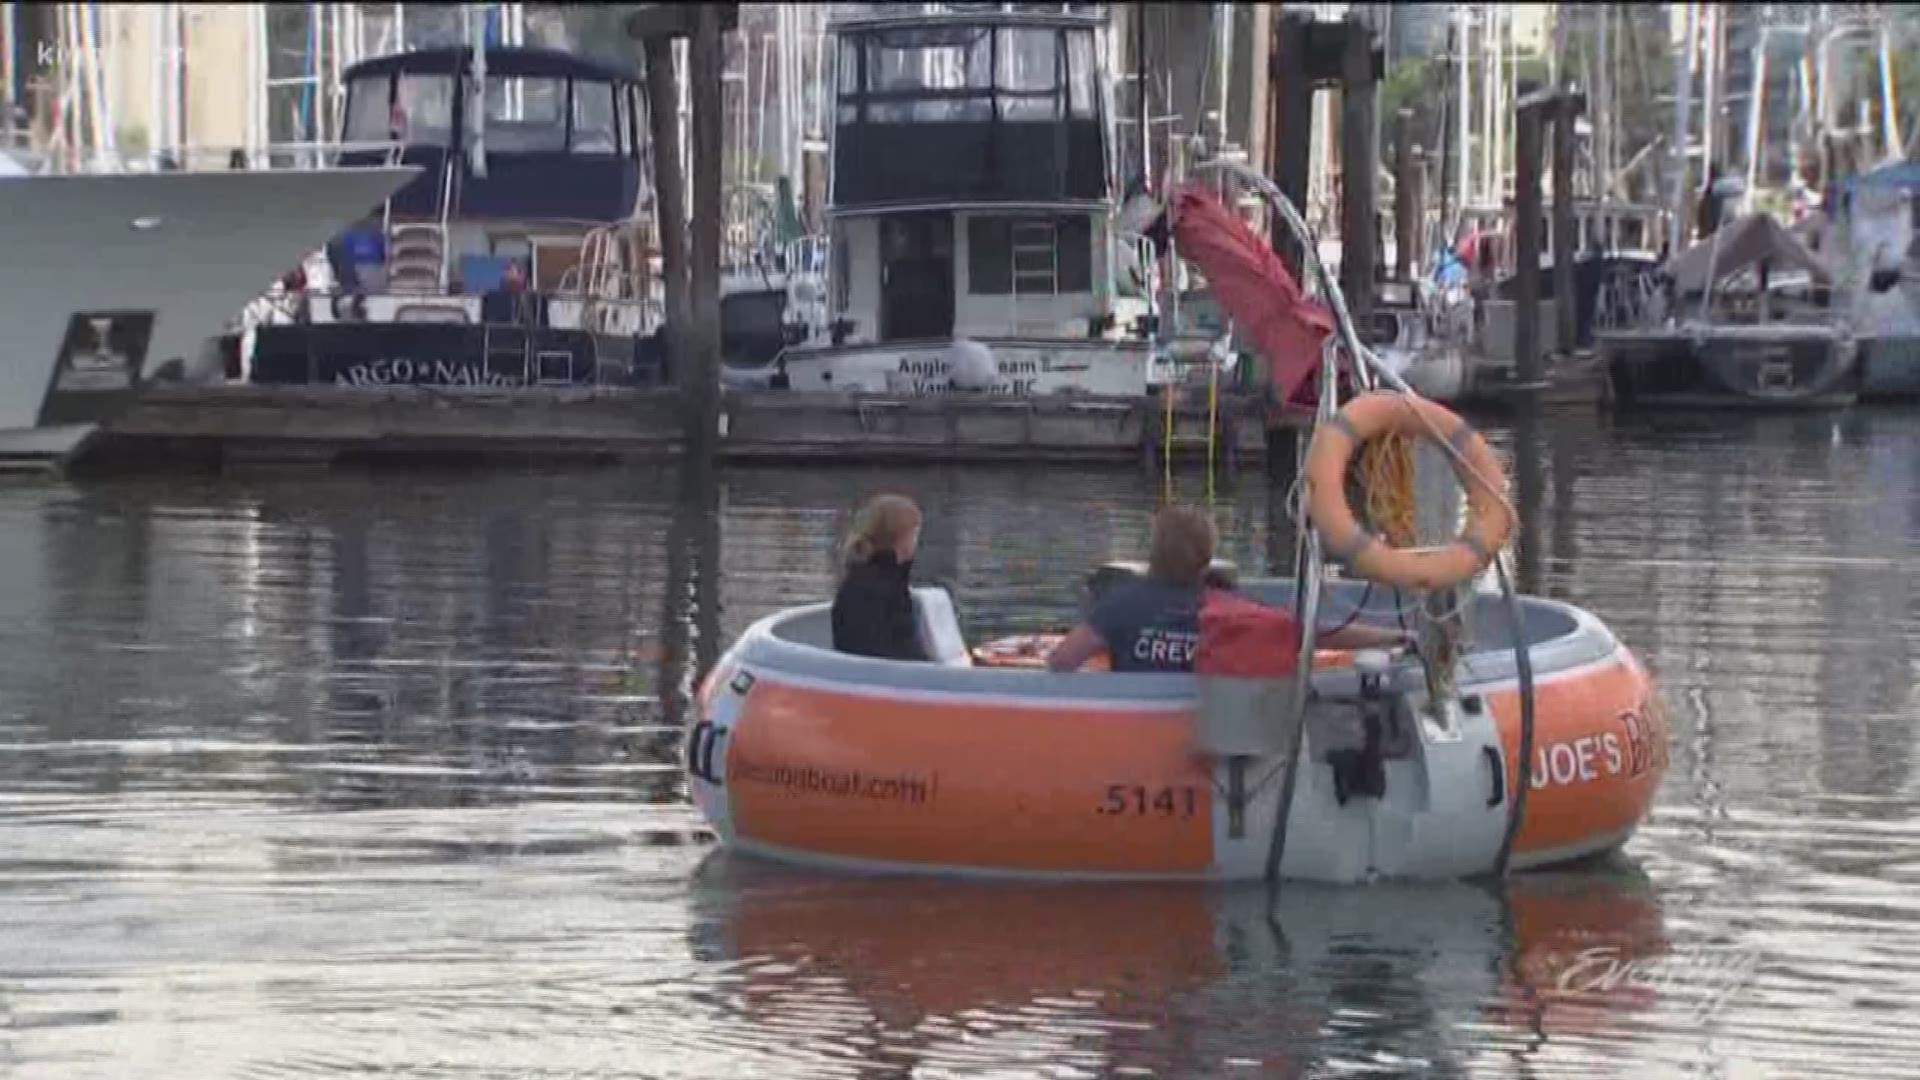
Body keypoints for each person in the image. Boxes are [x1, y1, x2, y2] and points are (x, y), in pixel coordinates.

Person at [1046, 504, 1411, 674]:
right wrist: (1399, 635)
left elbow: (1062, 661)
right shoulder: (1231, 610)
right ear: (1207, 559)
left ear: (1153, 553)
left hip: (1139, 723)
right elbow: (1319, 635)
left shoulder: (1118, 606)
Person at [831, 494, 929, 662]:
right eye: (914, 534)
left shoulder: (875, 577)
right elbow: (885, 649)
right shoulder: (876, 588)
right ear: (902, 539)